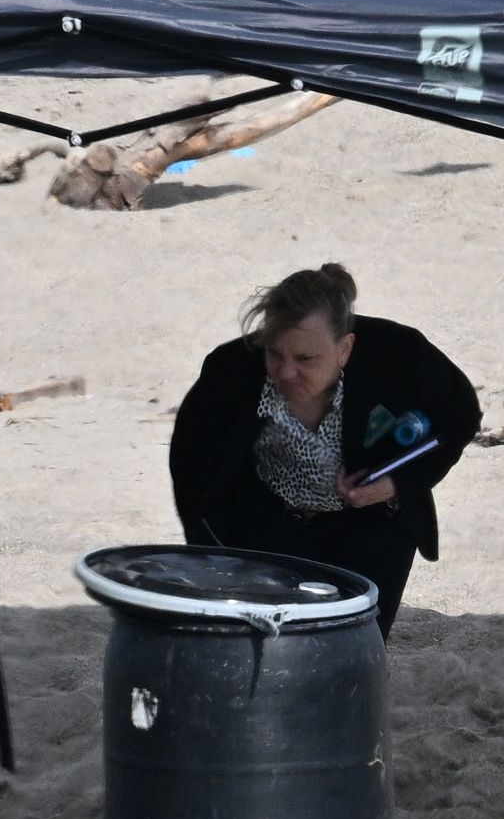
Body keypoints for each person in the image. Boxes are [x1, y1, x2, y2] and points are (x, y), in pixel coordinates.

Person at [169, 263, 480, 638]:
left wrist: (396, 482)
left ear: (344, 349)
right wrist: (215, 556)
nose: (286, 372)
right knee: (268, 641)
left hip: (373, 525)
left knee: (357, 640)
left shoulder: (399, 355)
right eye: (274, 354)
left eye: (305, 359)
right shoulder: (229, 372)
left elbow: (460, 416)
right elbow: (192, 470)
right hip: (264, 522)